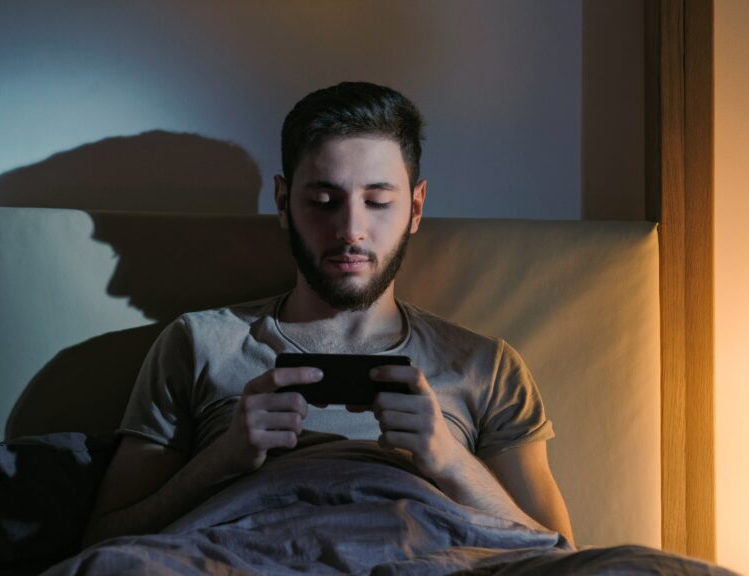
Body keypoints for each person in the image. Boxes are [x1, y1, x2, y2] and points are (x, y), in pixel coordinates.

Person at [82, 81, 574, 548]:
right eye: (323, 201)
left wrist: (450, 462)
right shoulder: (199, 343)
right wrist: (222, 461)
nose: (351, 229)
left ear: (417, 208)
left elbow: (561, 555)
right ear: (282, 202)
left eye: (378, 201)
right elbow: (103, 541)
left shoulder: (485, 366)